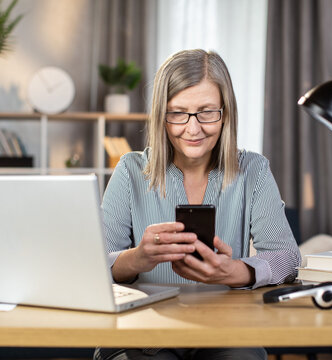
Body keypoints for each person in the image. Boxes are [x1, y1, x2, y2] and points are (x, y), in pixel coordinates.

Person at [96, 49, 301, 360]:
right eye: (177, 113)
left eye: (207, 112)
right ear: (161, 115)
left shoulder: (253, 171)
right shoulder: (129, 171)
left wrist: (236, 271)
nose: (193, 129)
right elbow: (96, 266)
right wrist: (137, 259)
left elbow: (289, 259)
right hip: (142, 334)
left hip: (225, 333)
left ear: (226, 113)